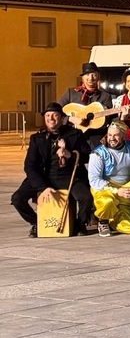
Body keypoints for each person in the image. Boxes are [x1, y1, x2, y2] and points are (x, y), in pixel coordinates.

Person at [11, 101, 93, 237]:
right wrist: (42, 187)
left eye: (54, 115)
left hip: (70, 175)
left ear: (61, 118)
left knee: (86, 198)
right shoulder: (37, 138)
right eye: (48, 116)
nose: (51, 119)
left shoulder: (75, 134)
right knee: (17, 199)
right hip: (45, 176)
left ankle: (80, 223)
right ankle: (37, 223)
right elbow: (29, 165)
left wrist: (70, 154)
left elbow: (88, 155)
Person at [87, 120, 130, 236]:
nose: (112, 138)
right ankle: (103, 221)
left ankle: (114, 219)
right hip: (105, 189)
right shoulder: (98, 153)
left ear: (123, 136)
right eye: (110, 135)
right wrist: (117, 191)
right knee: (107, 202)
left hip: (125, 189)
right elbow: (94, 180)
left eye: (116, 135)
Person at [60, 61, 116, 148]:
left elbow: (110, 119)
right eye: (87, 74)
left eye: (93, 74)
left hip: (96, 140)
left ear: (98, 76)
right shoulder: (71, 93)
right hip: (73, 137)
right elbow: (56, 112)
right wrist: (70, 118)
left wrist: (122, 115)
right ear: (82, 77)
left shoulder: (105, 96)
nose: (91, 78)